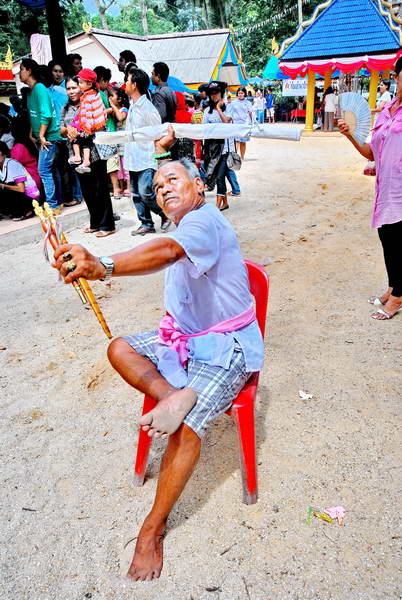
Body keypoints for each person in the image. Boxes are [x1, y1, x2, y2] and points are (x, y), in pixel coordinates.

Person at [52, 147, 264, 582]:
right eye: (158, 183)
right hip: (186, 341)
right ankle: (173, 396)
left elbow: (166, 250)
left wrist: (104, 265)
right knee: (119, 347)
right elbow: (164, 247)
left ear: (199, 186)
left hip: (226, 346)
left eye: (174, 179)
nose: (164, 186)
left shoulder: (202, 221)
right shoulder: (182, 226)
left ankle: (152, 528)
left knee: (186, 430)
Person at [338, 56, 402, 320]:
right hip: (386, 186)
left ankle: (398, 298)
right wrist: (350, 134)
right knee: (387, 238)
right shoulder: (387, 110)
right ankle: (394, 286)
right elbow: (371, 151)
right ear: (397, 77)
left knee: (399, 241)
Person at [60, 76, 115, 237]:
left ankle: (107, 225)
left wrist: (83, 129)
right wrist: (68, 130)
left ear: (82, 87)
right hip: (75, 155)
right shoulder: (65, 108)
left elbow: (100, 123)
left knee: (100, 189)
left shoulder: (90, 102)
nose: (71, 91)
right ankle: (95, 223)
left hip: (94, 153)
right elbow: (60, 129)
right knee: (87, 191)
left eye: (74, 87)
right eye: (68, 88)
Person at [124, 66, 171, 236]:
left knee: (146, 192)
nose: (125, 84)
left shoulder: (148, 109)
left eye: (127, 81)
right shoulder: (132, 105)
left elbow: (158, 132)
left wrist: (158, 157)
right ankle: (146, 223)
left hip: (145, 157)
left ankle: (164, 213)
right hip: (132, 157)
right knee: (136, 194)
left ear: (134, 84)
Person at [20, 58, 63, 213]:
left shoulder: (39, 89)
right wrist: (32, 133)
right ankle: (58, 202)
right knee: (52, 170)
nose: (20, 73)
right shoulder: (32, 92)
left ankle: (53, 205)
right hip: (42, 137)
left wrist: (42, 136)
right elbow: (35, 115)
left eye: (22, 69)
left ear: (29, 71)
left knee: (44, 170)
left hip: (49, 137)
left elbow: (46, 114)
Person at [202, 80, 239, 210]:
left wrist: (218, 109)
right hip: (213, 150)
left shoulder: (229, 107)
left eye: (216, 93)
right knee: (217, 176)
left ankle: (217, 206)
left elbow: (226, 122)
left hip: (226, 149)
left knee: (219, 177)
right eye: (211, 93)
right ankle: (225, 203)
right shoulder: (207, 111)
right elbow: (205, 129)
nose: (214, 96)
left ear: (221, 93)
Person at [69, 68, 106, 174]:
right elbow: (83, 112)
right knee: (77, 139)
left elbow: (92, 113)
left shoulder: (92, 96)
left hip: (90, 127)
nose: (79, 85)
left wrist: (87, 128)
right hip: (85, 125)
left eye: (81, 82)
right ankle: (77, 157)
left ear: (89, 83)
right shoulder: (87, 95)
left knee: (85, 142)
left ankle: (85, 160)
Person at [94, 66, 121, 199]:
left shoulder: (97, 93)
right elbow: (103, 111)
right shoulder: (99, 94)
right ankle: (116, 189)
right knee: (112, 161)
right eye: (106, 81)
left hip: (106, 132)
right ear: (103, 80)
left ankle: (115, 188)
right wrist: (112, 108)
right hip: (108, 131)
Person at [0, 141, 39, 220]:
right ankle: (11, 211)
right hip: (18, 194)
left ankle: (28, 210)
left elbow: (21, 189)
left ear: (3, 154)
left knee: (7, 187)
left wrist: (3, 186)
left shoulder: (12, 164)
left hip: (29, 197)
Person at [108, 86, 131, 197]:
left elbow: (121, 118)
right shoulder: (114, 109)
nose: (109, 98)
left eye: (112, 96)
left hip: (126, 143)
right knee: (120, 167)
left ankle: (129, 187)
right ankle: (121, 187)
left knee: (126, 167)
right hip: (119, 144)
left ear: (120, 99)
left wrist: (112, 106)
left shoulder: (124, 110)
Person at [230, 87, 253, 160]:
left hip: (244, 124)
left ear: (244, 94)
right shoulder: (233, 102)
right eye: (239, 93)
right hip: (236, 124)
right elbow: (230, 113)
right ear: (237, 94)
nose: (240, 94)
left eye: (242, 93)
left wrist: (251, 122)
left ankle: (242, 157)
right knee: (236, 141)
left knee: (243, 142)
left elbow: (250, 113)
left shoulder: (248, 103)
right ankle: (236, 157)